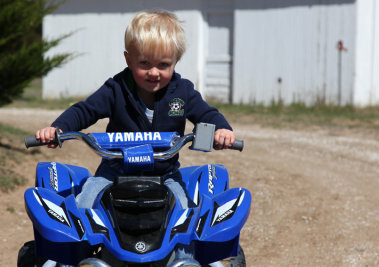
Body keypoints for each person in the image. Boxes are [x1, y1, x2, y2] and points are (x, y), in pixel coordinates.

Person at [36, 10, 235, 264]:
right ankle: (79, 259)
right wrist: (59, 129)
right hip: (113, 173)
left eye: (163, 65)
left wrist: (221, 130)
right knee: (84, 205)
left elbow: (206, 113)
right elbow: (84, 110)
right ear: (129, 60)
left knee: (185, 216)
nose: (154, 72)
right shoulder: (116, 88)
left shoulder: (182, 92)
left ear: (176, 61)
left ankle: (185, 261)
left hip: (164, 175)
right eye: (145, 64)